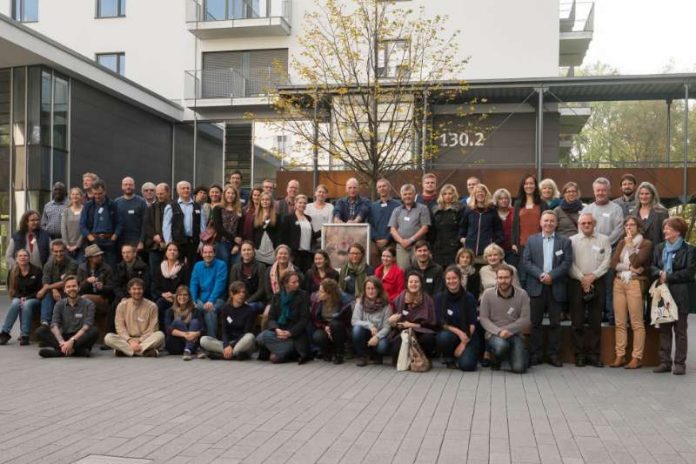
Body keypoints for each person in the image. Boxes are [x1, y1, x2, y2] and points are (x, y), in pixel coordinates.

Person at [522, 210, 572, 367]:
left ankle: (553, 355)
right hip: (536, 286)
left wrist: (552, 276)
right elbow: (527, 261)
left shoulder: (565, 241)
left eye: (552, 221)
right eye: (546, 221)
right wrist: (541, 275)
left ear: (556, 223)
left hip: (556, 286)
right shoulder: (531, 240)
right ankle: (536, 354)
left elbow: (567, 262)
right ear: (540, 223)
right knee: (535, 323)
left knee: (555, 324)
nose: (549, 223)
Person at [650, 217, 696, 375]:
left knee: (680, 330)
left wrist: (669, 277)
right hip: (662, 293)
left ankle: (680, 363)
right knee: (664, 328)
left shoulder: (689, 249)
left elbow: (690, 272)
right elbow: (652, 266)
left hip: (680, 294)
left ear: (678, 231)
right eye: (664, 228)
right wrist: (659, 273)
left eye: (668, 228)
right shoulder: (659, 247)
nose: (665, 231)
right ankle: (665, 362)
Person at [568, 213, 611, 367]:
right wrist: (583, 278)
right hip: (576, 283)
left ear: (594, 223)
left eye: (589, 223)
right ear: (579, 224)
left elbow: (607, 262)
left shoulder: (604, 239)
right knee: (577, 321)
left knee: (595, 320)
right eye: (583, 223)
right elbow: (569, 263)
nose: (586, 225)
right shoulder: (571, 241)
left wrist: (593, 277)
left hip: (597, 282)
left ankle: (593, 355)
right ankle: (579, 354)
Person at [610, 216, 652, 369]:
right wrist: (628, 268)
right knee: (620, 322)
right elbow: (613, 263)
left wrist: (630, 247)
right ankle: (620, 355)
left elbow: (637, 262)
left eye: (632, 225)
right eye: (626, 225)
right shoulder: (621, 242)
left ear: (638, 227)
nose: (629, 227)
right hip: (619, 282)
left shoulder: (646, 243)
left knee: (636, 322)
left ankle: (636, 357)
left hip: (635, 282)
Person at [583, 177, 624, 324]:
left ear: (609, 191)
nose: (601, 193)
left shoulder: (616, 209)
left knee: (608, 284)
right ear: (594, 192)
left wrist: (604, 244)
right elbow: (582, 228)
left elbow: (619, 230)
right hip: (590, 252)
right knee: (591, 283)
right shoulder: (587, 209)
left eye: (603, 190)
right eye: (598, 190)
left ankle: (609, 314)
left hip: (611, 251)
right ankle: (591, 314)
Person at [479, 265, 531, 373]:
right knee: (501, 346)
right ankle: (495, 358)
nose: (503, 281)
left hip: (515, 334)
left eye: (506, 277)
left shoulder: (522, 294)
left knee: (519, 368)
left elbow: (525, 319)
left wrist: (508, 330)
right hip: (494, 334)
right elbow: (483, 318)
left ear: (512, 278)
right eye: (500, 278)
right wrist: (499, 331)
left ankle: (519, 354)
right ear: (496, 278)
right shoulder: (487, 294)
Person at [34, 275, 100, 358]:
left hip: (80, 338)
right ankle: (74, 351)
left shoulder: (89, 304)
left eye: (74, 286)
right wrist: (62, 342)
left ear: (79, 288)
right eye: (68, 287)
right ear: (64, 290)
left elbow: (87, 326)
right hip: (64, 336)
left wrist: (72, 341)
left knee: (94, 331)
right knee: (40, 331)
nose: (71, 289)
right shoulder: (59, 304)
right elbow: (54, 325)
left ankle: (59, 352)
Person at [256, 271, 311, 364]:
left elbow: (304, 320)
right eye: (294, 282)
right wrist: (276, 329)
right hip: (279, 333)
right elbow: (271, 317)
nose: (297, 284)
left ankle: (287, 351)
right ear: (286, 284)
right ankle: (282, 350)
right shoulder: (277, 296)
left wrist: (290, 333)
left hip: (294, 336)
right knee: (261, 337)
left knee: (274, 358)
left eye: (298, 281)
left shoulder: (303, 295)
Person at [104, 278, 164, 357]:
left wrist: (139, 341)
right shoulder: (122, 305)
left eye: (139, 289)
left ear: (143, 290)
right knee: (108, 338)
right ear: (129, 291)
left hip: (145, 339)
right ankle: (144, 351)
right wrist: (130, 340)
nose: (137, 292)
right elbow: (120, 327)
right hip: (127, 339)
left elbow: (153, 328)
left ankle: (126, 351)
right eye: (134, 289)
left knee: (160, 335)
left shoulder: (152, 306)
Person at [435, 266, 479, 371]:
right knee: (443, 337)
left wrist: (463, 343)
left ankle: (463, 355)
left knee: (467, 366)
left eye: (454, 278)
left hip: (468, 335)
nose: (451, 281)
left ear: (460, 279)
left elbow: (473, 322)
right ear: (445, 281)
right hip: (451, 334)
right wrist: (459, 333)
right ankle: (449, 357)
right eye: (448, 279)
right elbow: (441, 322)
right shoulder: (440, 297)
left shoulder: (469, 297)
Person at [387, 270, 438, 361]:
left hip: (421, 332)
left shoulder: (428, 300)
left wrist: (412, 325)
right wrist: (392, 322)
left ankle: (423, 358)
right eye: (411, 282)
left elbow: (431, 324)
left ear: (421, 284)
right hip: (403, 332)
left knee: (428, 339)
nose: (413, 284)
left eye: (416, 282)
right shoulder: (399, 299)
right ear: (407, 283)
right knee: (394, 350)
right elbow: (394, 324)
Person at [200, 282, 258, 360]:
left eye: (243, 292)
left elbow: (246, 332)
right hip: (228, 342)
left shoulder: (249, 310)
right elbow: (224, 331)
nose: (241, 294)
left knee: (250, 337)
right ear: (232, 294)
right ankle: (233, 354)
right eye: (238, 292)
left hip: (241, 342)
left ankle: (224, 355)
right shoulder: (225, 309)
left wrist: (231, 346)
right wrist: (226, 345)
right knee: (203, 340)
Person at [0, 249, 43, 346]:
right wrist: (20, 298)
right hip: (19, 298)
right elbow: (11, 289)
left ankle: (25, 335)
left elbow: (41, 290)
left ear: (29, 258)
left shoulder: (37, 271)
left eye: (25, 255)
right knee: (15, 303)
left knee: (26, 304)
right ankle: (5, 333)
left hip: (35, 298)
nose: (23, 257)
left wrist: (27, 298)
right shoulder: (13, 271)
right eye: (20, 256)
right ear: (16, 258)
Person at [512, 175, 548, 284]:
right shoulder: (518, 204)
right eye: (526, 183)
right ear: (523, 186)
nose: (529, 186)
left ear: (535, 186)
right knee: (523, 276)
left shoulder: (542, 204)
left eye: (531, 183)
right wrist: (514, 243)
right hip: (522, 245)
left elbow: (547, 224)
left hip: (540, 244)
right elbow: (515, 225)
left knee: (539, 274)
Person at [163, 181, 205, 267]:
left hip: (194, 244)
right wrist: (169, 244)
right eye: (183, 188)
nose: (186, 190)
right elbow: (166, 226)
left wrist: (202, 242)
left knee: (192, 267)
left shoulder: (199, 207)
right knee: (177, 267)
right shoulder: (170, 206)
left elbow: (203, 226)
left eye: (188, 188)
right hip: (177, 244)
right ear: (178, 191)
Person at [80, 179, 121, 268]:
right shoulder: (88, 205)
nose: (97, 196)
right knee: (94, 267)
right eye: (95, 194)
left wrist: (115, 236)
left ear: (104, 192)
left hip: (110, 240)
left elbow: (119, 223)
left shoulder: (113, 204)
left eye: (100, 193)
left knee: (111, 266)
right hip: (94, 240)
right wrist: (90, 237)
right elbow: (82, 225)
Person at [310, 278, 353, 364]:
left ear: (329, 294)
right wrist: (325, 327)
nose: (318, 294)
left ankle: (339, 353)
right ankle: (328, 351)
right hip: (325, 326)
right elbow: (315, 318)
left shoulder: (344, 301)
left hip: (340, 328)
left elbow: (347, 322)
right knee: (317, 337)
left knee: (335, 325)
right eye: (319, 290)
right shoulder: (317, 300)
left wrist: (331, 327)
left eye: (322, 292)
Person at [190, 243, 228, 339]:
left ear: (214, 253)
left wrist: (211, 300)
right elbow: (194, 283)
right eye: (205, 252)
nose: (208, 255)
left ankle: (212, 341)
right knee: (193, 308)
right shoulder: (197, 266)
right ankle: (195, 342)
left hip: (218, 298)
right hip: (201, 299)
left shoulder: (221, 265)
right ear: (202, 254)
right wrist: (193, 300)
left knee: (209, 310)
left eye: (210, 252)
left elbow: (220, 285)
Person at [351, 277, 392, 366]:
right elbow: (354, 321)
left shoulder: (386, 305)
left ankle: (376, 354)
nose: (370, 291)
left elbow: (387, 327)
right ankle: (361, 356)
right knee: (356, 329)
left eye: (373, 288)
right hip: (364, 333)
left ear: (378, 289)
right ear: (365, 290)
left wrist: (377, 336)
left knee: (382, 347)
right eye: (368, 288)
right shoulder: (360, 303)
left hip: (379, 334)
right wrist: (369, 325)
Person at [389, 183, 431, 270]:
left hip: (418, 246)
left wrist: (411, 240)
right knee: (402, 271)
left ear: (414, 195)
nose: (407, 196)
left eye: (410, 194)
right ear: (401, 196)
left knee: (419, 269)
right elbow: (392, 229)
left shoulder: (423, 208)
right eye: (405, 194)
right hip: (401, 247)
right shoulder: (397, 210)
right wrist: (402, 241)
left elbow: (425, 228)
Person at [37, 240, 77, 326]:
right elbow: (46, 281)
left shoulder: (72, 263)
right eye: (56, 251)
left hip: (68, 290)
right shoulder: (48, 265)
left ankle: (62, 324)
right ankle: (45, 323)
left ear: (65, 251)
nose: (58, 254)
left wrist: (47, 288)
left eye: (61, 251)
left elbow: (66, 282)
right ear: (52, 252)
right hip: (53, 292)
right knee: (47, 294)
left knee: (49, 291)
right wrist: (53, 289)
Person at [151, 242, 190, 331]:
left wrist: (174, 295)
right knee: (159, 304)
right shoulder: (159, 268)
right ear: (166, 252)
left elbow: (186, 286)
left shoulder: (183, 268)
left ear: (178, 253)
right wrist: (163, 294)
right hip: (163, 297)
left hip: (179, 298)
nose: (172, 252)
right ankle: (159, 332)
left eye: (175, 250)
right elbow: (154, 287)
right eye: (170, 250)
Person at [461, 183, 503, 262]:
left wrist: (494, 242)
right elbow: (463, 226)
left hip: (487, 252)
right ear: (474, 195)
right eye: (478, 192)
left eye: (482, 192)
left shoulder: (492, 210)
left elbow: (498, 229)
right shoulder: (469, 210)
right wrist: (462, 238)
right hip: (470, 251)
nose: (480, 194)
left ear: (486, 194)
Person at [76, 244, 114, 326]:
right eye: (97, 256)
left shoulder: (107, 268)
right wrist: (87, 281)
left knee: (84, 299)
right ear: (89, 258)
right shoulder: (81, 268)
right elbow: (78, 288)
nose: (100, 257)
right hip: (85, 297)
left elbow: (112, 288)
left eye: (100, 255)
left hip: (102, 298)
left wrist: (102, 287)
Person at [164, 285, 203, 360]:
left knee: (195, 322)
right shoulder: (170, 311)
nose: (182, 297)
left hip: (191, 341)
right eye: (180, 295)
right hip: (175, 344)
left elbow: (203, 328)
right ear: (176, 297)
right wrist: (185, 335)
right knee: (177, 322)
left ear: (189, 297)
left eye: (185, 295)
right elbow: (168, 329)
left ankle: (187, 350)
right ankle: (195, 348)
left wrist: (196, 334)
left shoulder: (195, 311)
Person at [229, 241, 267, 314]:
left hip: (256, 301)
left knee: (247, 309)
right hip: (239, 299)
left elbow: (262, 289)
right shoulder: (235, 267)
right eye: (244, 250)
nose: (246, 252)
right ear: (241, 252)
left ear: (253, 252)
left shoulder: (261, 267)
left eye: (249, 250)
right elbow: (232, 287)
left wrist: (247, 301)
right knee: (227, 308)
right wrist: (237, 300)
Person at [280, 194, 316, 272]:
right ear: (295, 204)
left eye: (304, 203)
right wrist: (287, 254)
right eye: (300, 203)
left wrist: (324, 230)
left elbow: (312, 236)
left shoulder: (308, 218)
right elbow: (283, 237)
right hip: (294, 254)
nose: (302, 205)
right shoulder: (288, 218)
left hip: (307, 254)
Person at [368, 178, 400, 264]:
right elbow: (369, 224)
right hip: (375, 241)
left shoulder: (398, 205)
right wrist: (376, 238)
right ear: (377, 190)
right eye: (379, 187)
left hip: (391, 240)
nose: (382, 188)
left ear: (389, 188)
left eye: (384, 186)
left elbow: (399, 224)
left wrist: (387, 239)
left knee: (390, 257)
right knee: (372, 255)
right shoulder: (373, 206)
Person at [431, 183, 464, 267]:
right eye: (445, 194)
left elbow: (462, 227)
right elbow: (432, 230)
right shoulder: (435, 209)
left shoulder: (460, 208)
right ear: (441, 195)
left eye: (450, 193)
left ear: (454, 194)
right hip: (438, 247)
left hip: (454, 246)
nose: (448, 196)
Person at [211, 184, 243, 268]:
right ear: (224, 194)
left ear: (236, 196)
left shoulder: (239, 209)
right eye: (228, 193)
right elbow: (218, 227)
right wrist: (233, 238)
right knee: (223, 265)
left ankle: (234, 282)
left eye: (233, 193)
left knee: (235, 266)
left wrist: (237, 244)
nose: (230, 195)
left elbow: (240, 228)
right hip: (221, 242)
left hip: (235, 244)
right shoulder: (218, 208)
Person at [142, 182, 171, 276]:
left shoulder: (174, 207)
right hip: (154, 246)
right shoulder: (151, 208)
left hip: (170, 246)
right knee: (154, 273)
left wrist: (163, 239)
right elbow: (147, 224)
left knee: (169, 272)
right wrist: (155, 236)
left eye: (161, 194)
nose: (159, 196)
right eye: (157, 194)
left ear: (168, 193)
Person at [631, 181, 669, 246]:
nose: (644, 196)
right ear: (638, 195)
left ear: (653, 195)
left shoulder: (662, 212)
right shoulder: (633, 213)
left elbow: (666, 235)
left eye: (647, 194)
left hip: (655, 251)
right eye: (641, 194)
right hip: (636, 251)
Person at [115, 176, 147, 251]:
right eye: (125, 185)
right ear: (122, 187)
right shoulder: (116, 202)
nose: (128, 187)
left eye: (130, 184)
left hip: (136, 241)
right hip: (120, 240)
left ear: (134, 186)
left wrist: (141, 241)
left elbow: (145, 223)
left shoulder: (141, 202)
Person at [253, 191, 280, 266]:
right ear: (260, 201)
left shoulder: (277, 216)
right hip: (258, 249)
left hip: (271, 250)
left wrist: (277, 249)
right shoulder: (255, 216)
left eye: (267, 200)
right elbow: (253, 233)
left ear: (271, 202)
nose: (265, 201)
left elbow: (279, 234)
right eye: (263, 199)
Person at [61, 187, 85, 262]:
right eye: (73, 194)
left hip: (81, 246)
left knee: (80, 269)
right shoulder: (66, 211)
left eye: (77, 194)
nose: (75, 196)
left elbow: (85, 228)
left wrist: (77, 245)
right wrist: (67, 245)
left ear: (81, 196)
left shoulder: (85, 210)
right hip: (67, 246)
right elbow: (63, 228)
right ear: (70, 196)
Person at [493, 188, 515, 266]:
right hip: (495, 249)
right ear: (496, 200)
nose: (504, 200)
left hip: (511, 249)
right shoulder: (492, 212)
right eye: (501, 199)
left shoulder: (514, 211)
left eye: (506, 198)